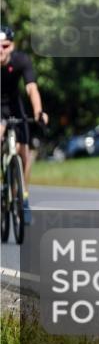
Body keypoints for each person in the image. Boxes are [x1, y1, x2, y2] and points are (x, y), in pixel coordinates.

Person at [0, 25, 49, 224]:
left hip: (14, 106)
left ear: (12, 46)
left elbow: (31, 88)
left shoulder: (21, 61)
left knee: (24, 152)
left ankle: (23, 196)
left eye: (5, 46)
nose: (1, 51)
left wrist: (39, 112)